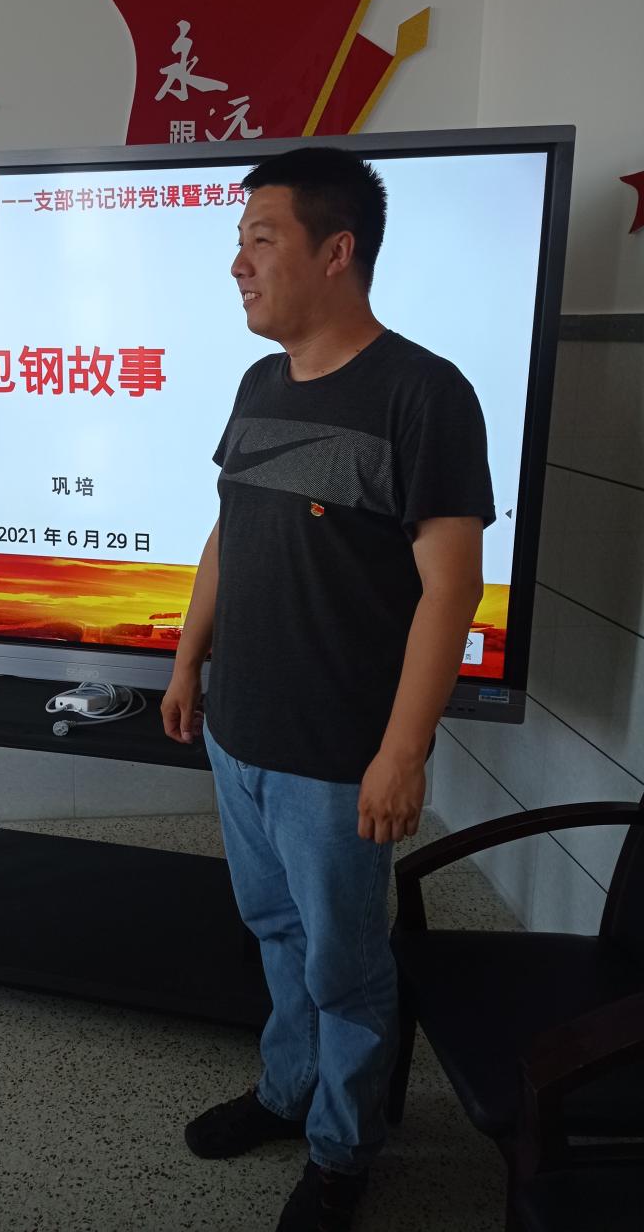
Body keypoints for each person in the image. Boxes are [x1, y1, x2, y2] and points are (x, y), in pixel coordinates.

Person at [160, 146, 495, 1232]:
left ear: (336, 251)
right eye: (239, 243)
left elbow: (451, 588)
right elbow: (228, 532)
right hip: (240, 732)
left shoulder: (424, 394)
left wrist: (402, 751)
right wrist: (188, 659)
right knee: (275, 932)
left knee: (345, 966)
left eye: (261, 241)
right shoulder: (259, 385)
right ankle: (286, 1089)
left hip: (336, 756)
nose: (238, 265)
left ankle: (344, 1151)